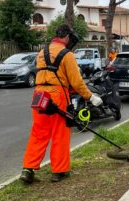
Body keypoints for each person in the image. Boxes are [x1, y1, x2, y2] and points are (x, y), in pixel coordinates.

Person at [20, 24, 103, 183]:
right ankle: (59, 171)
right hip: (57, 95)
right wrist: (91, 97)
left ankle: (28, 169)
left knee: (38, 133)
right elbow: (77, 82)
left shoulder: (41, 53)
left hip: (39, 95)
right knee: (60, 133)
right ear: (66, 37)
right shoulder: (67, 55)